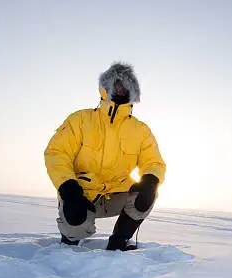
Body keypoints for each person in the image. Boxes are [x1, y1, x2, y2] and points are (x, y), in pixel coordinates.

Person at [44, 62, 166, 250]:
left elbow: (153, 161)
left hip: (117, 193)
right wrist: (68, 187)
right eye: (116, 83)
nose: (120, 88)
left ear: (132, 91)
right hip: (80, 193)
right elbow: (57, 153)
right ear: (105, 87)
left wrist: (150, 181)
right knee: (75, 220)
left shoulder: (140, 130)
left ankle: (118, 242)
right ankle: (70, 243)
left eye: (125, 85)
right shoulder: (80, 119)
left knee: (148, 194)